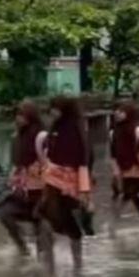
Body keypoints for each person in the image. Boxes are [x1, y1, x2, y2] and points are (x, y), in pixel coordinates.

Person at [39, 95, 92, 267]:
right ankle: (49, 265)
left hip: (71, 185)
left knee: (71, 226)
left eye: (56, 108)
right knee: (44, 217)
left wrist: (84, 191)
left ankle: (78, 264)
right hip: (52, 181)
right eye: (52, 107)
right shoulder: (54, 128)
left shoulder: (76, 129)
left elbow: (84, 160)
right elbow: (49, 154)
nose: (53, 111)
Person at [0, 100, 48, 256]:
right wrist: (12, 180)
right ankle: (23, 249)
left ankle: (45, 267)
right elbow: (16, 165)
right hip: (23, 192)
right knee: (4, 213)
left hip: (42, 192)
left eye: (22, 115)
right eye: (17, 115)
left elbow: (51, 165)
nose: (18, 119)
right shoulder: (15, 138)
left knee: (42, 238)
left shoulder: (42, 137)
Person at [110, 101, 139, 231]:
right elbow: (113, 155)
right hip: (123, 173)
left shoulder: (137, 131)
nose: (118, 113)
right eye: (117, 110)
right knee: (121, 199)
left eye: (122, 110)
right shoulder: (113, 133)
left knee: (138, 201)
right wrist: (116, 174)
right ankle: (112, 229)